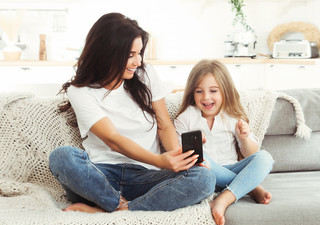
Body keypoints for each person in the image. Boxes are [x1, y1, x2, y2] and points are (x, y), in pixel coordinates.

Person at [48, 12, 215, 213]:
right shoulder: (81, 91)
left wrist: (176, 158)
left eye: (139, 53)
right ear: (107, 53)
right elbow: (113, 139)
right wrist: (159, 160)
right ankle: (118, 202)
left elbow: (164, 125)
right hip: (100, 177)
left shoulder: (145, 74)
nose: (138, 61)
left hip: (146, 176)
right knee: (62, 157)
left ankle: (121, 209)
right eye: (130, 55)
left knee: (204, 178)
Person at [174, 59, 274, 225]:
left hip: (230, 167)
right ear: (192, 93)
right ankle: (249, 187)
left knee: (265, 158)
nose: (206, 97)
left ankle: (224, 199)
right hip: (205, 173)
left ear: (225, 91)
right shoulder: (186, 118)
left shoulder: (232, 115)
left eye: (213, 91)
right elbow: (180, 155)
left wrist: (244, 138)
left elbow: (252, 154)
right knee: (201, 159)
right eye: (199, 91)